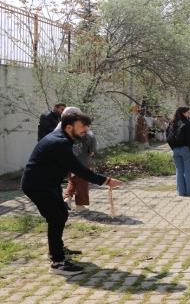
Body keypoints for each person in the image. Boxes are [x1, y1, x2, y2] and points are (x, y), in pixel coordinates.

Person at [22, 111, 123, 275]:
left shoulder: (65, 139)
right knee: (55, 219)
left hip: (49, 183)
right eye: (82, 126)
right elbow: (78, 169)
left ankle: (54, 250)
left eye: (87, 126)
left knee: (61, 214)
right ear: (69, 127)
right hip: (37, 186)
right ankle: (58, 263)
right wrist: (106, 181)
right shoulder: (58, 142)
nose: (86, 129)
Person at [60, 108, 98, 213]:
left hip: (69, 160)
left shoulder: (62, 129)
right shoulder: (83, 129)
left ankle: (67, 198)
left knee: (72, 179)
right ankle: (80, 205)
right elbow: (91, 139)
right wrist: (93, 150)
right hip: (83, 161)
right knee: (82, 182)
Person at [166, 106, 190, 196]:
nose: (189, 114)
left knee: (179, 171)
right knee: (188, 171)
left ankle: (181, 191)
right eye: (188, 112)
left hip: (175, 150)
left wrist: (173, 147)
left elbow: (168, 137)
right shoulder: (188, 124)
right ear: (182, 113)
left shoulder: (171, 123)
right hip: (186, 149)